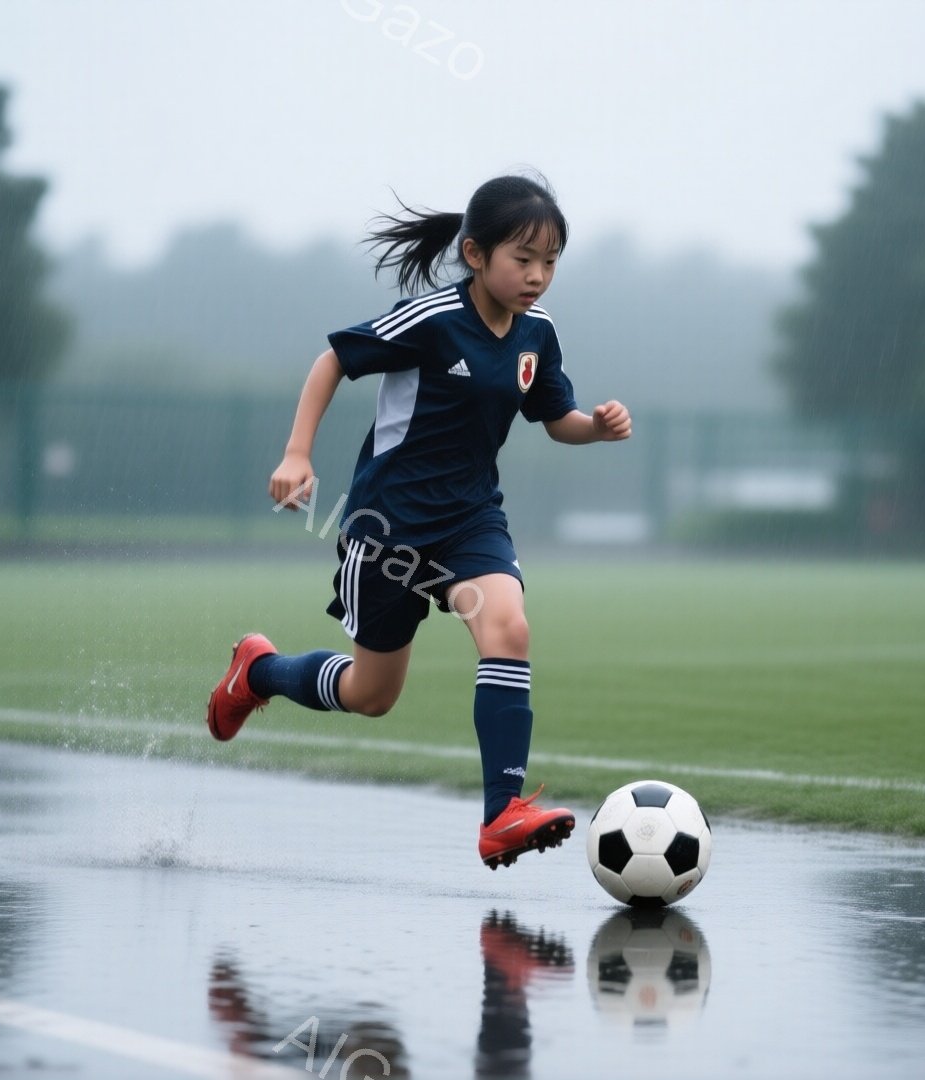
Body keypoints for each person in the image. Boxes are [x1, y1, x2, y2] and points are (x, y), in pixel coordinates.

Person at [204, 173, 633, 869]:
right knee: (371, 695)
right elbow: (334, 360)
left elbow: (556, 421)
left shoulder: (537, 334)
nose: (537, 276)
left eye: (550, 262)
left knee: (509, 627)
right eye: (522, 259)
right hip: (388, 530)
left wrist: (597, 427)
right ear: (474, 254)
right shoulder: (431, 321)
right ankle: (259, 672)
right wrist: (296, 454)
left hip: (471, 522)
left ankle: (502, 813)